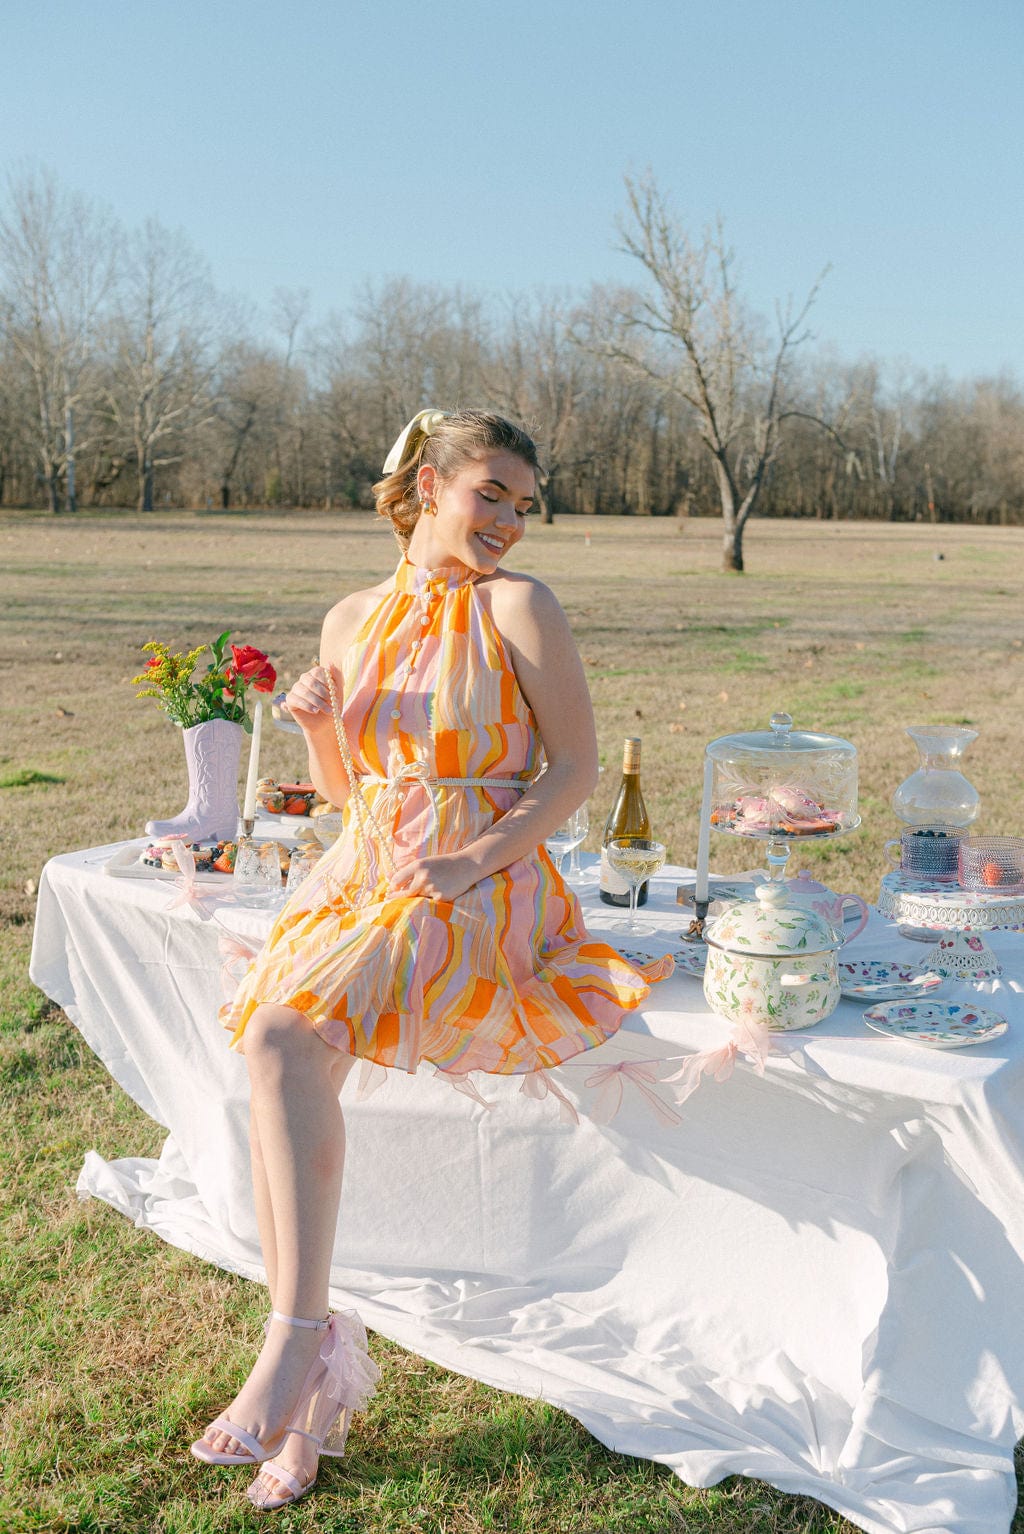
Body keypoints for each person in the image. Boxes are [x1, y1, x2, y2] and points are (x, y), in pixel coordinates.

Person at [189, 407, 672, 1510]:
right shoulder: (349, 617)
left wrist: (472, 861)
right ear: (426, 485)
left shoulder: (519, 606)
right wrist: (318, 726)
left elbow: (573, 769)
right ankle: (309, 1375)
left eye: (523, 503)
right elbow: (351, 793)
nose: (508, 519)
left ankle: (296, 1342)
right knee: (273, 1054)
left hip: (483, 877)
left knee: (280, 1037)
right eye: (489, 492)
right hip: (364, 869)